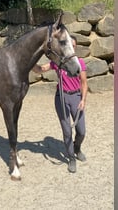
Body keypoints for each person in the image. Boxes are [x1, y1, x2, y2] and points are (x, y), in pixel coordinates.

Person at [32, 36, 88, 173]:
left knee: (81, 131)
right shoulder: (58, 62)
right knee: (67, 131)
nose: (72, 48)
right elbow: (41, 69)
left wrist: (83, 100)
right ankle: (71, 158)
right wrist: (30, 63)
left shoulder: (79, 62)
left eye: (74, 46)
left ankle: (77, 148)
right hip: (61, 97)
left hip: (76, 97)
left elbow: (84, 83)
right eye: (71, 46)